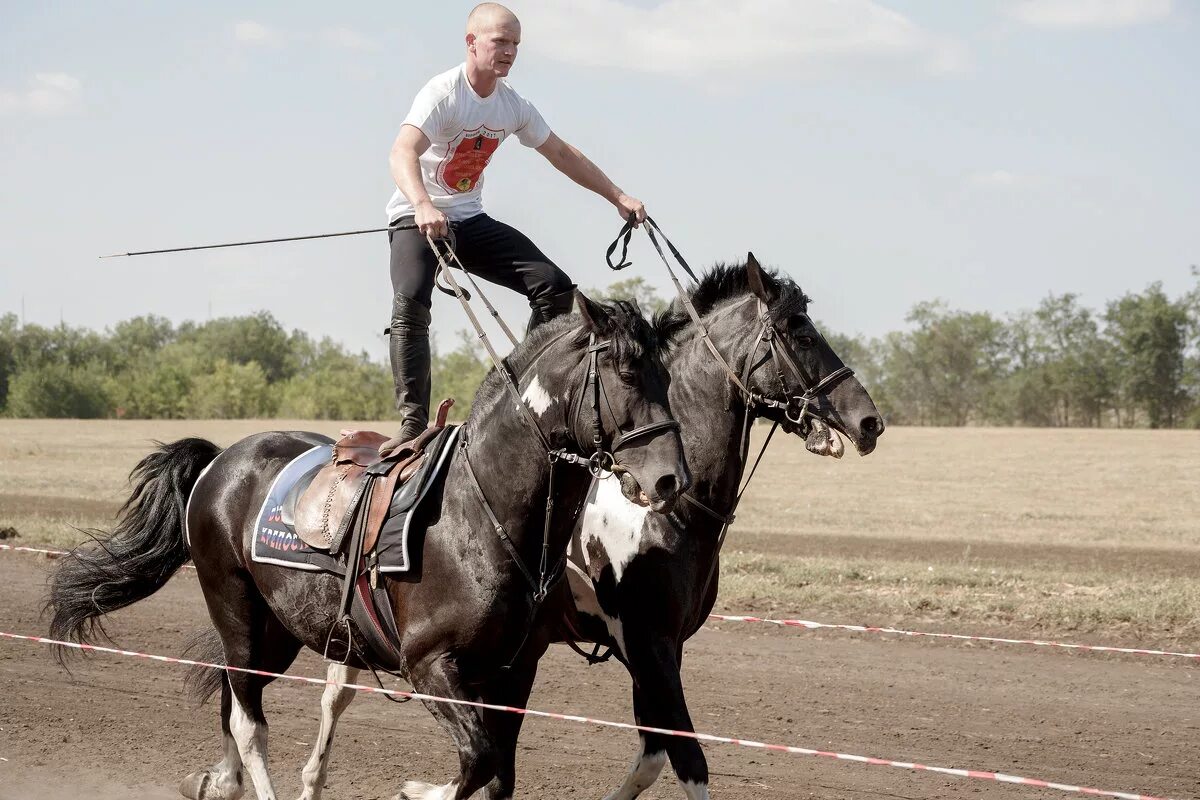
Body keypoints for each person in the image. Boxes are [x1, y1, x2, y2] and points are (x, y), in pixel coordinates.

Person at [381, 2, 647, 452]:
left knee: (554, 286)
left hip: (468, 218)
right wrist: (423, 204)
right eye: (499, 41)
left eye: (515, 44)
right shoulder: (443, 93)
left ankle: (519, 397)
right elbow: (401, 152)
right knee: (410, 301)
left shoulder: (512, 106)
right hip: (416, 217)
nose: (509, 51)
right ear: (472, 42)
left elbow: (562, 154)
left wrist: (617, 196)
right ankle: (412, 426)